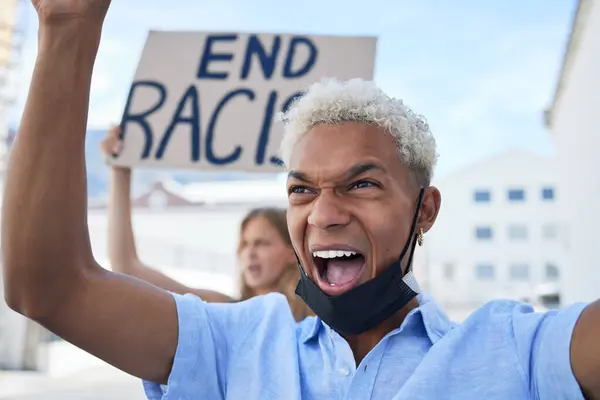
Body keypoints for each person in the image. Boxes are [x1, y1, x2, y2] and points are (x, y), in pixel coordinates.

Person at [3, 2, 599, 399]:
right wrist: (66, 28)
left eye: (361, 184)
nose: (324, 213)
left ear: (426, 210)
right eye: (300, 190)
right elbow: (47, 288)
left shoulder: (516, 352)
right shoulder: (233, 343)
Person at [101, 127, 312, 320]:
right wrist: (120, 170)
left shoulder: (316, 317)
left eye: (261, 243)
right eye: (244, 244)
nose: (249, 253)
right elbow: (126, 266)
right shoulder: (226, 310)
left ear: (292, 253)